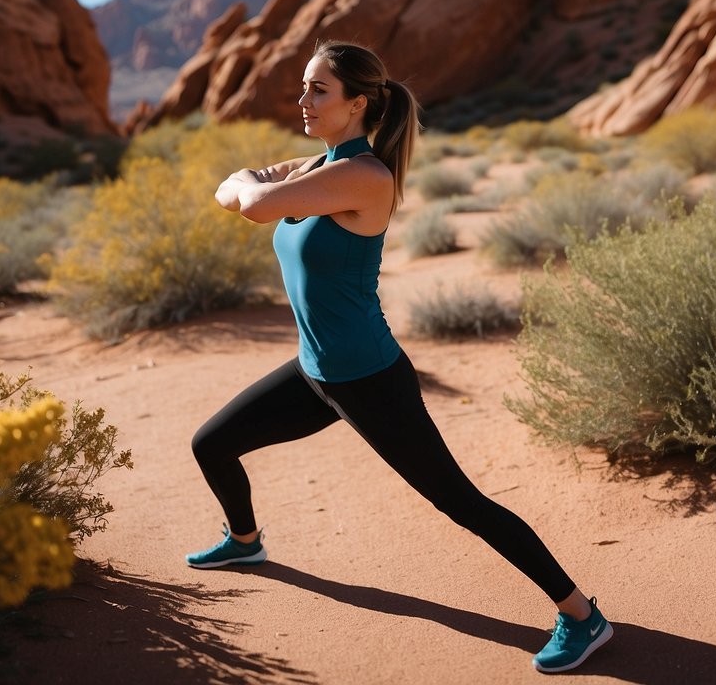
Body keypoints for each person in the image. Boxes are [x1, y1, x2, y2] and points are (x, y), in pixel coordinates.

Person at [188, 40, 612, 674]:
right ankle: (245, 543)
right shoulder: (321, 163)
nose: (303, 100)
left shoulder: (362, 176)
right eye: (305, 88)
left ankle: (583, 615)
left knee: (460, 502)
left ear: (358, 103)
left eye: (318, 90)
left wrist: (253, 182)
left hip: (368, 379)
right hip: (315, 372)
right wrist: (251, 182)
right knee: (211, 445)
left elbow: (248, 201)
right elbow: (235, 190)